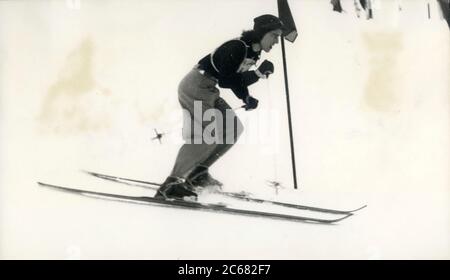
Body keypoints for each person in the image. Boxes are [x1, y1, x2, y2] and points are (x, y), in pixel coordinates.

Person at [155, 14, 285, 200]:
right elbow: (226, 80)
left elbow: (234, 79)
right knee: (209, 135)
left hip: (208, 88)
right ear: (263, 33)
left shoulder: (253, 51)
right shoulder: (237, 47)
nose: (276, 41)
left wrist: (246, 96)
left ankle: (198, 174)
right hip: (196, 86)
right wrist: (256, 74)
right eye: (274, 35)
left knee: (233, 128)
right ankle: (171, 184)